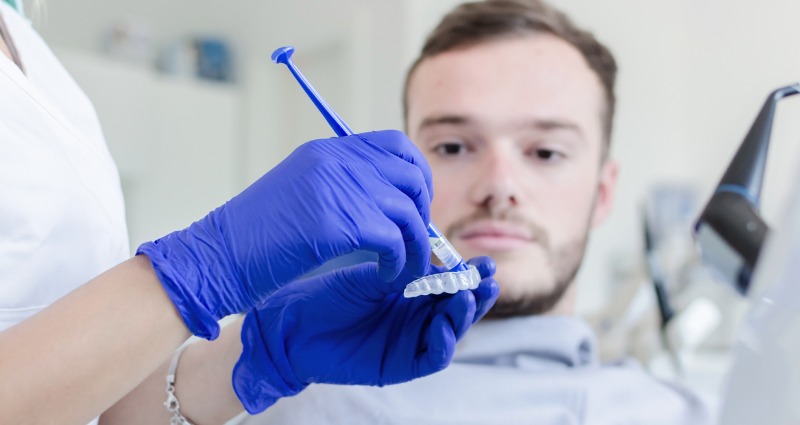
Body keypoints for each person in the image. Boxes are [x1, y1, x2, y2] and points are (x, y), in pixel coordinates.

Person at [0, 2, 498, 424]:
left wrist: (263, 350)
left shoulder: (30, 44)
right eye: (453, 146)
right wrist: (206, 267)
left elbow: (88, 407)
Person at [239, 0, 717, 423]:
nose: (498, 186)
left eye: (546, 152)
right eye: (452, 147)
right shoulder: (296, 404)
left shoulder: (696, 412)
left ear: (604, 193)